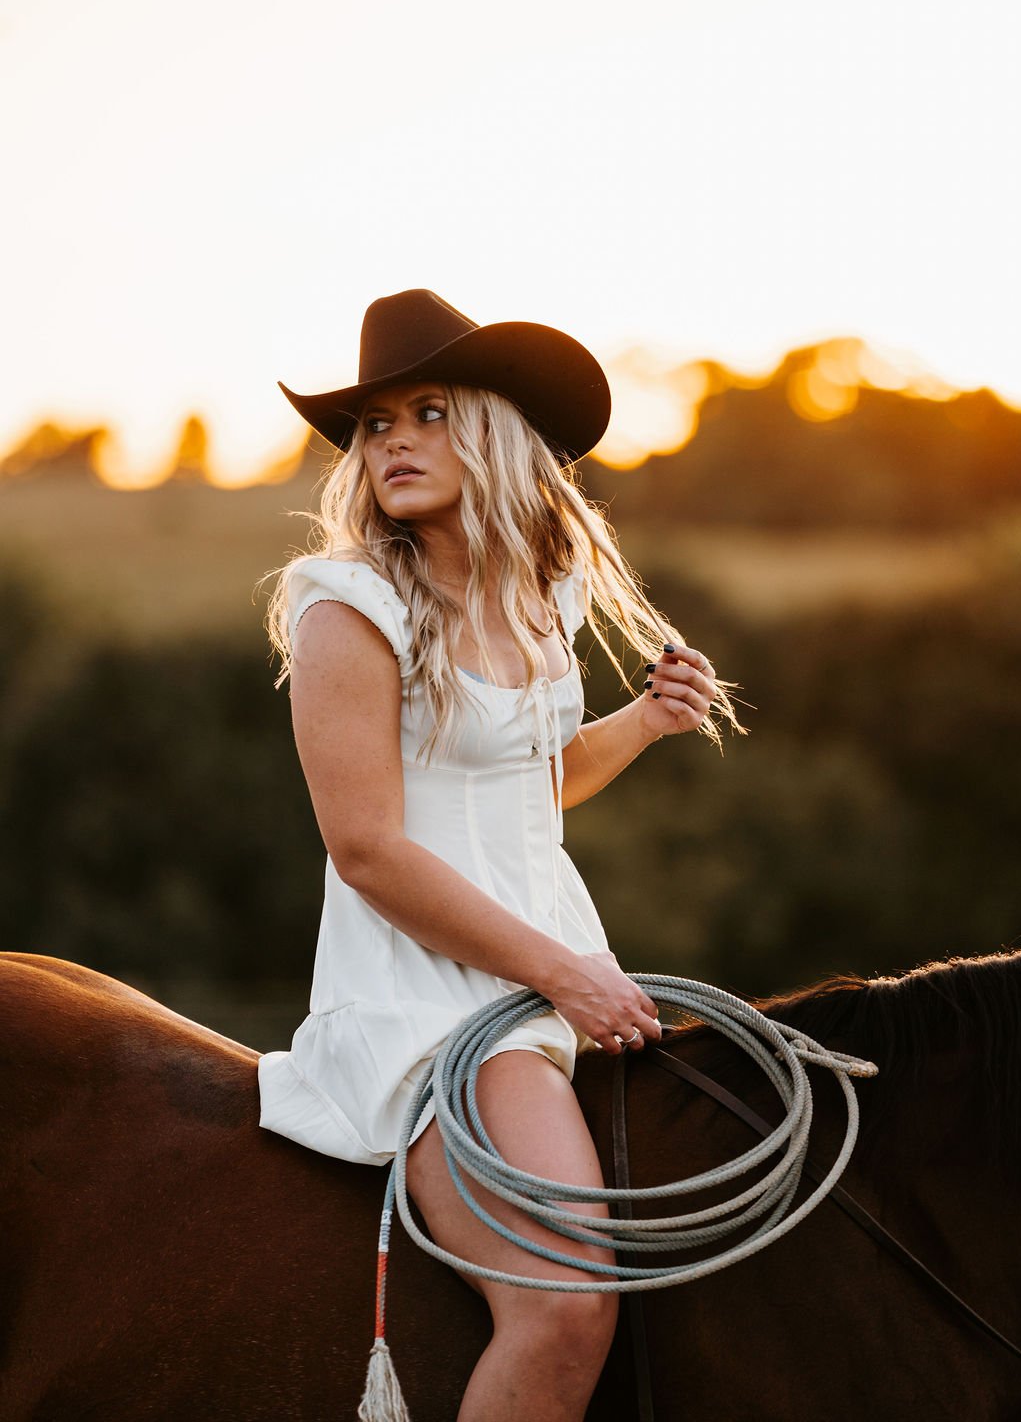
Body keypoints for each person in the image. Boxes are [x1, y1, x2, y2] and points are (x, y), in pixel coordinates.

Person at [258, 289, 745, 1422]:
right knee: (565, 1307)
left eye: (428, 412)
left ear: (493, 429)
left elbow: (530, 781)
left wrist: (643, 724)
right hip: (433, 998)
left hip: (550, 975)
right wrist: (562, 975)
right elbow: (369, 849)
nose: (394, 443)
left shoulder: (540, 595)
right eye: (376, 425)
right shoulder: (347, 608)